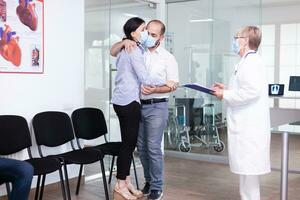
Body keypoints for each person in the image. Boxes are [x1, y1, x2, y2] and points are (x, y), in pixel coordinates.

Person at [111, 19, 179, 200]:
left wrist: (158, 88)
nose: (149, 36)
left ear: (162, 38)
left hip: (157, 106)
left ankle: (156, 187)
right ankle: (147, 182)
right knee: (140, 147)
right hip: (137, 104)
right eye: (147, 32)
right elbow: (113, 51)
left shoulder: (167, 58)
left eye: (154, 35)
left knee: (153, 148)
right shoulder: (136, 48)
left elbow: (173, 84)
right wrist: (124, 41)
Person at [212, 26, 270, 200]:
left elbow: (251, 92)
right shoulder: (246, 62)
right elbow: (244, 89)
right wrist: (227, 89)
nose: (234, 41)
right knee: (246, 173)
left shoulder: (251, 62)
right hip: (246, 125)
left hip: (250, 128)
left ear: (244, 41)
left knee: (249, 173)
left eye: (236, 37)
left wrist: (225, 94)